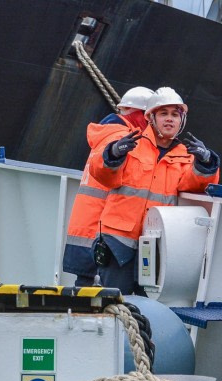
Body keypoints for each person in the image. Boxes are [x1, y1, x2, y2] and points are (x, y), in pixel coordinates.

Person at [88, 87, 221, 294]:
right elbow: (102, 174)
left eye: (175, 115)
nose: (169, 119)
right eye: (163, 113)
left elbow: (193, 183)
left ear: (181, 120)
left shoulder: (185, 156)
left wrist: (206, 162)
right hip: (117, 243)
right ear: (151, 118)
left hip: (154, 245)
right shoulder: (132, 145)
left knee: (147, 311)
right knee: (114, 304)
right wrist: (113, 154)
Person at [63, 86, 153, 286]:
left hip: (88, 231)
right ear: (140, 116)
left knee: (87, 296)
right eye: (150, 117)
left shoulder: (106, 134)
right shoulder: (121, 137)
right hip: (102, 234)